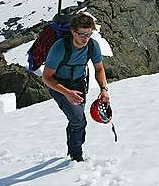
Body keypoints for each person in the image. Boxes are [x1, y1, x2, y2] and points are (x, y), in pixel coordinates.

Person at [41, 11, 110, 162]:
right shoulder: (59, 48)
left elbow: (99, 69)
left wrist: (103, 89)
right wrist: (66, 92)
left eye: (89, 34)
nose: (85, 39)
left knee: (77, 118)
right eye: (82, 35)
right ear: (72, 32)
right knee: (79, 120)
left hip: (79, 83)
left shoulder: (92, 45)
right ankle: (75, 157)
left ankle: (73, 149)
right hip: (59, 85)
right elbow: (46, 77)